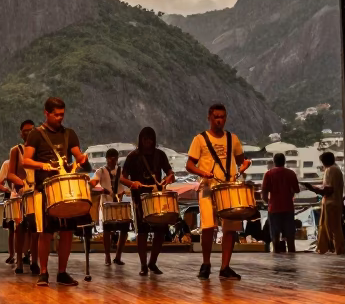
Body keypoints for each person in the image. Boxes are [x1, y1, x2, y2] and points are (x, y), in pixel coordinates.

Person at [21, 97, 91, 286]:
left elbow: (77, 155)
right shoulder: (35, 134)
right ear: (46, 113)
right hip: (45, 189)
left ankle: (62, 272)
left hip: (65, 189)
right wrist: (44, 166)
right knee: (45, 232)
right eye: (56, 115)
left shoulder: (69, 134)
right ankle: (43, 272)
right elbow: (26, 161)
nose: (60, 118)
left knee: (67, 232)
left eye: (62, 114)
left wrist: (82, 159)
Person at [186, 103, 251, 280]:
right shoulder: (199, 139)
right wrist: (202, 172)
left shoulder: (233, 138)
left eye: (222, 117)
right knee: (208, 227)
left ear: (225, 118)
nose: (219, 120)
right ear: (209, 117)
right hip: (207, 187)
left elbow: (241, 161)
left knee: (230, 229)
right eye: (216, 117)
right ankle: (206, 263)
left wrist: (245, 164)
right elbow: (189, 165)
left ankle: (225, 267)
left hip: (228, 187)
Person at [121, 128, 176, 275]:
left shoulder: (160, 155)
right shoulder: (133, 156)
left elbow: (170, 173)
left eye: (150, 139)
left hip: (157, 195)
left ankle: (153, 262)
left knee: (160, 231)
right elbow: (122, 177)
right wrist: (132, 183)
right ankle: (143, 265)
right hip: (139, 198)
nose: (148, 142)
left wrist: (169, 178)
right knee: (142, 232)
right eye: (145, 139)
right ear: (140, 140)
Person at [7, 120, 37, 276]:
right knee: (19, 228)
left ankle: (35, 260)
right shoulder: (16, 150)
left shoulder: (38, 150)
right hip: (19, 193)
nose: (28, 133)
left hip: (34, 192)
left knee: (36, 228)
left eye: (31, 130)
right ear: (21, 132)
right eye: (25, 130)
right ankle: (18, 260)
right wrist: (19, 182)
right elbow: (10, 173)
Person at [92, 148, 128, 266]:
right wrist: (98, 188)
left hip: (119, 204)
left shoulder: (122, 171)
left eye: (115, 158)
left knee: (124, 229)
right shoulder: (101, 171)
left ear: (117, 159)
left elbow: (126, 184)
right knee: (107, 230)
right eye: (110, 158)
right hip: (107, 204)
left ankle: (118, 256)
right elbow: (94, 181)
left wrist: (123, 192)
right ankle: (107, 255)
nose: (112, 161)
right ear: (107, 159)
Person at [305, 151, 345, 254]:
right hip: (335, 202)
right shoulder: (336, 169)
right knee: (333, 227)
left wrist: (313, 188)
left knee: (332, 228)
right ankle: (329, 248)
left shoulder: (330, 170)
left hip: (330, 203)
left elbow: (328, 190)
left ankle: (338, 249)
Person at [262, 152, 301, 253]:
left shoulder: (268, 174)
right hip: (288, 207)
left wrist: (268, 202)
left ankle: (277, 257)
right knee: (290, 237)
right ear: (284, 161)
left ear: (274, 162)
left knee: (275, 236)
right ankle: (292, 258)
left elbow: (264, 192)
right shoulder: (291, 173)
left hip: (274, 208)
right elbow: (297, 190)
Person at [0, 158, 18, 265]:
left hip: (25, 195)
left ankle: (26, 254)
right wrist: (9, 190)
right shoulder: (7, 163)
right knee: (12, 228)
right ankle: (12, 254)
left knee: (27, 227)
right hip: (11, 197)